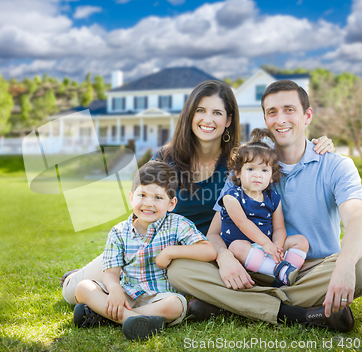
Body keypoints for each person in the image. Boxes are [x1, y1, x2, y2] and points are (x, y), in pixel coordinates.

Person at [61, 79, 334, 306]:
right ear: (190, 114)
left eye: (217, 113)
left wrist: (320, 142)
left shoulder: (240, 163)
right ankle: (82, 280)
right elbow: (144, 207)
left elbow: (282, 151)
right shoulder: (166, 158)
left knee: (172, 292)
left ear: (228, 120)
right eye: (201, 111)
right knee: (72, 292)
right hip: (155, 246)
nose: (207, 119)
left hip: (205, 254)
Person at [167, 80, 362, 333]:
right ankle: (299, 313)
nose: (281, 119)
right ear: (265, 119)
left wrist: (344, 264)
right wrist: (225, 257)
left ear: (307, 115)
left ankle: (228, 303)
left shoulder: (336, 165)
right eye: (272, 112)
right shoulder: (249, 166)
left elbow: (357, 221)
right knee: (178, 269)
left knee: (360, 267)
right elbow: (214, 232)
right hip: (251, 265)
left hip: (308, 270)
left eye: (289, 109)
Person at [73, 161, 217, 340]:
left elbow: (209, 251)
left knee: (176, 305)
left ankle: (106, 317)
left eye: (158, 198)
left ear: (171, 203)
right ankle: (135, 320)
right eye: (142, 195)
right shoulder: (119, 232)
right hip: (127, 293)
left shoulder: (178, 224)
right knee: (83, 288)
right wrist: (115, 290)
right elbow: (111, 273)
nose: (148, 203)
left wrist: (170, 252)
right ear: (131, 197)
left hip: (159, 297)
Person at [219, 128, 308, 287]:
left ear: (272, 175)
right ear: (238, 172)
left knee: (300, 241)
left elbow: (279, 227)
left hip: (266, 249)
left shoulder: (273, 198)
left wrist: (277, 248)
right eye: (251, 168)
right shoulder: (232, 196)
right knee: (236, 246)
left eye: (264, 170)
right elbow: (243, 223)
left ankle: (285, 272)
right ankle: (279, 271)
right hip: (243, 252)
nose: (257, 174)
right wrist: (266, 244)